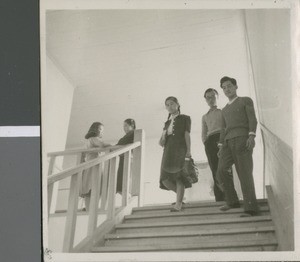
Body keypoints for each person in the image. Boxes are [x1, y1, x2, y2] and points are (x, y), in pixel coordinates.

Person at [217, 76, 260, 217]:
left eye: (229, 86)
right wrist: (221, 145)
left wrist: (251, 136)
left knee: (244, 173)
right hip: (228, 143)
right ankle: (232, 201)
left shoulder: (245, 100)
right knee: (221, 170)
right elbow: (223, 129)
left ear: (236, 86)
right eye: (224, 87)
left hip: (242, 139)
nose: (226, 89)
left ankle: (250, 208)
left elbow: (252, 118)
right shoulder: (224, 110)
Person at [159, 96, 192, 212]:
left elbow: (187, 135)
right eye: (167, 105)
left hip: (179, 150)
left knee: (179, 177)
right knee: (165, 180)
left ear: (178, 104)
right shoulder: (167, 123)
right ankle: (181, 196)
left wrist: (188, 151)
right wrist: (162, 139)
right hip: (168, 151)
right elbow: (161, 142)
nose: (169, 107)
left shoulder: (185, 118)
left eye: (172, 104)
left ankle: (178, 204)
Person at [80, 122, 111, 211]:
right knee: (95, 186)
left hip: (90, 165)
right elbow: (102, 144)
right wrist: (112, 145)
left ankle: (90, 209)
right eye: (100, 129)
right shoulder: (93, 138)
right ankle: (91, 209)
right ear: (95, 129)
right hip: (94, 165)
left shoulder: (89, 140)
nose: (102, 132)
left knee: (89, 187)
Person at [202, 88, 226, 201]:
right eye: (208, 97)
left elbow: (226, 127)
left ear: (218, 97)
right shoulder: (205, 116)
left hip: (222, 139)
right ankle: (220, 198)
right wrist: (206, 142)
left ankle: (229, 197)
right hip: (210, 142)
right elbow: (204, 133)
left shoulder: (223, 111)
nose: (211, 99)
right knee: (214, 169)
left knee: (224, 168)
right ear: (206, 100)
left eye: (213, 96)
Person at [116, 119, 136, 194]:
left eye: (126, 125)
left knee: (123, 183)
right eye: (123, 126)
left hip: (127, 159)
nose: (124, 128)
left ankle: (128, 199)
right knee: (119, 185)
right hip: (122, 160)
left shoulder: (134, 134)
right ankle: (127, 198)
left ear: (132, 125)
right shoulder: (126, 136)